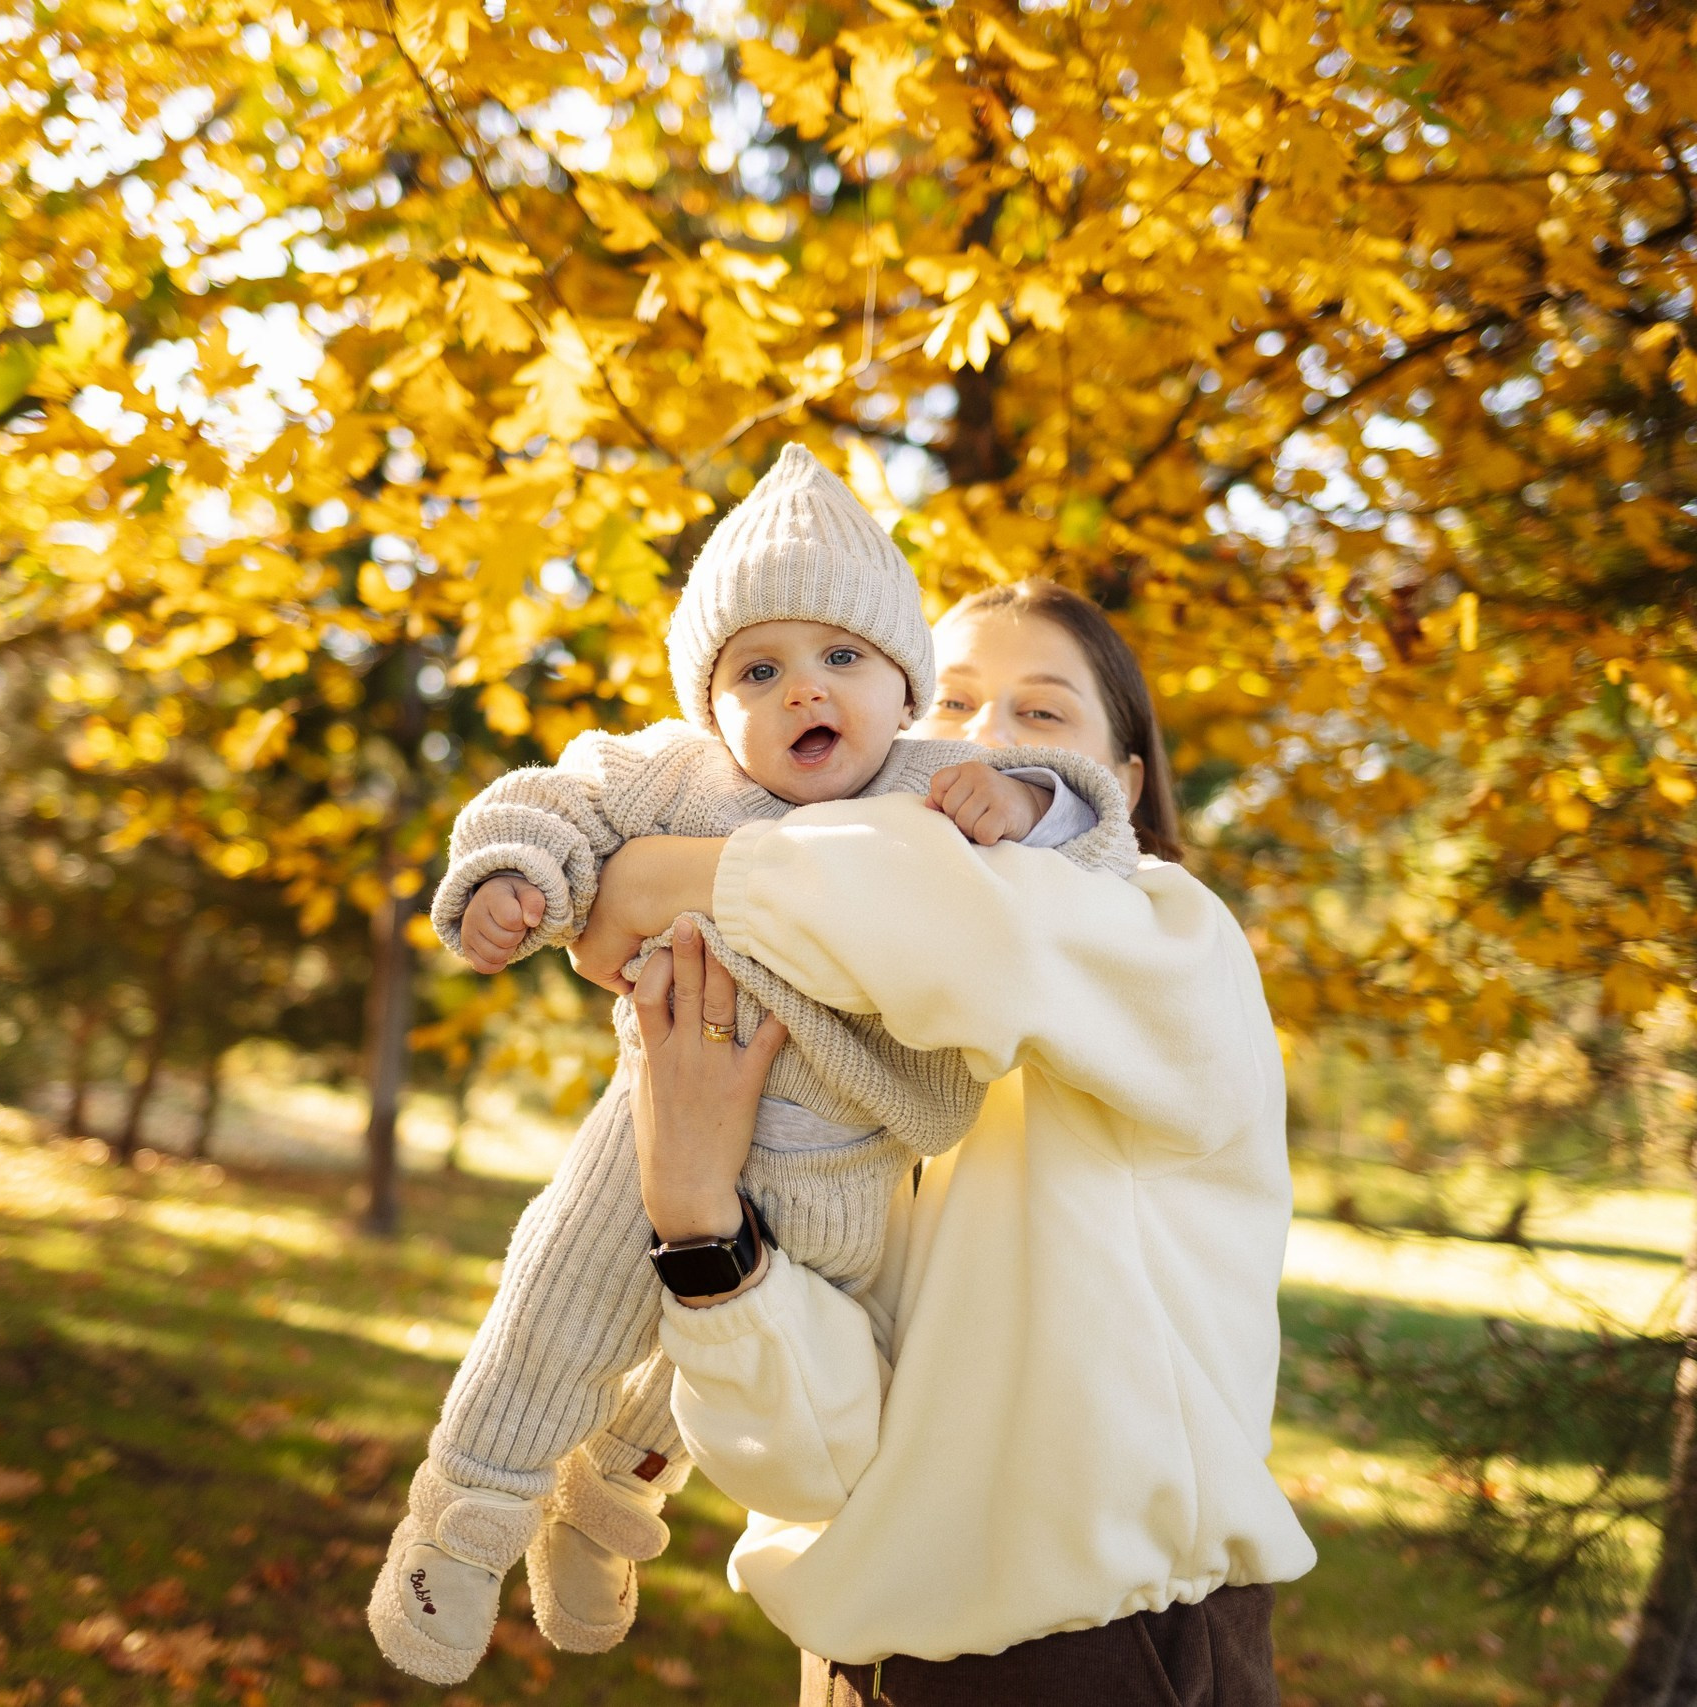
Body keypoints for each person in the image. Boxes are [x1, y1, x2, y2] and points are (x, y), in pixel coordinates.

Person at [368, 455, 1144, 1686]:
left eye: (842, 658)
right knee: (559, 1315)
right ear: (708, 701)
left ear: (905, 690)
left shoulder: (929, 787)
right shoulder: (679, 776)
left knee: (717, 1365)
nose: (803, 693)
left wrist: (1019, 799)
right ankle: (460, 1527)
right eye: (758, 669)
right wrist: (515, 878)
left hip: (850, 1164)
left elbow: (1094, 825)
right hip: (654, 1126)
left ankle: (606, 1508)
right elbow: (551, 799)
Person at [573, 581, 1315, 1706]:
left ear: (1114, 789)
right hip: (861, 1673)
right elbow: (813, 1463)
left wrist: (669, 872)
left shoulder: (1173, 939)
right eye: (950, 706)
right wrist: (696, 1213)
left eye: (1042, 716)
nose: (980, 746)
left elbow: (980, 930)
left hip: (1106, 1661)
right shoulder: (846, 1056)